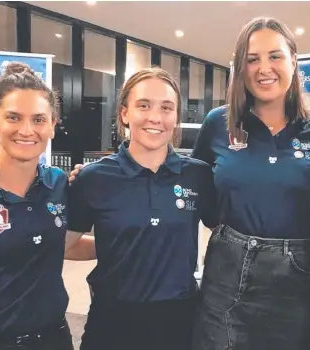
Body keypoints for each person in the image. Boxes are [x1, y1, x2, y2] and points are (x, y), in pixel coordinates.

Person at [189, 17, 310, 350]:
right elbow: (193, 186)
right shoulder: (218, 124)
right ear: (241, 68)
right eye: (252, 59)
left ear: (294, 62)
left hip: (299, 283)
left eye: (275, 56)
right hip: (226, 276)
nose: (263, 68)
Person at [66, 67, 217, 350]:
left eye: (166, 107)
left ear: (176, 117)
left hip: (179, 323)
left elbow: (224, 233)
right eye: (143, 105)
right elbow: (64, 246)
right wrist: (119, 244)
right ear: (124, 113)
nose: (155, 117)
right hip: (112, 322)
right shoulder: (94, 178)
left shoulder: (198, 175)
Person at [0, 62, 92, 350]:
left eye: (38, 119)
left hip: (54, 338)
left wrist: (123, 242)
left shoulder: (58, 183)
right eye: (13, 117)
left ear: (52, 126)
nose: (26, 130)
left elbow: (63, 244)